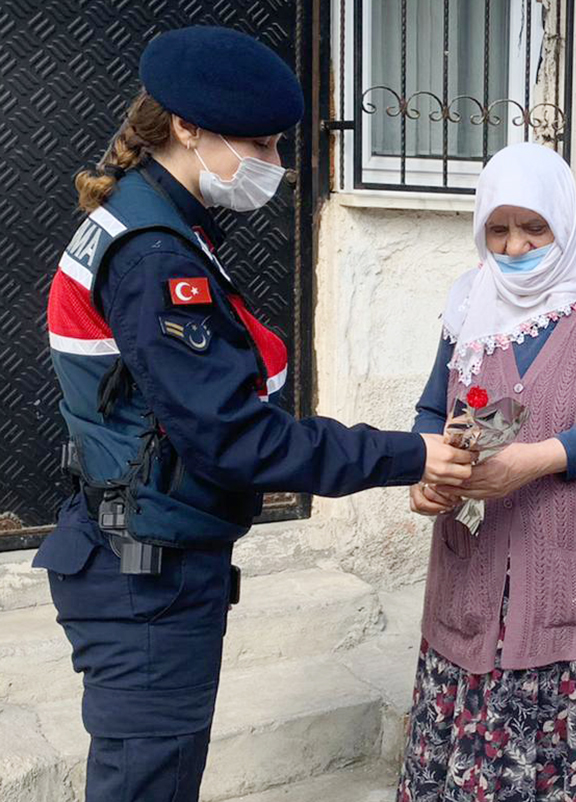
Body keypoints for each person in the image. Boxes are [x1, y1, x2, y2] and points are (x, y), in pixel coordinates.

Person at [34, 26, 474, 802]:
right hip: (143, 577)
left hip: (144, 551)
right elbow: (233, 438)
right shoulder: (155, 254)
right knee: (147, 782)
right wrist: (410, 455)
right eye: (260, 144)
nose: (272, 164)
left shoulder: (159, 220)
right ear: (187, 129)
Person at [397, 142, 576, 802]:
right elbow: (434, 407)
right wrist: (423, 470)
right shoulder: (470, 301)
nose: (515, 245)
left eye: (533, 227)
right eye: (498, 228)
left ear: (564, 220)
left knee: (573, 729)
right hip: (481, 551)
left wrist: (534, 461)